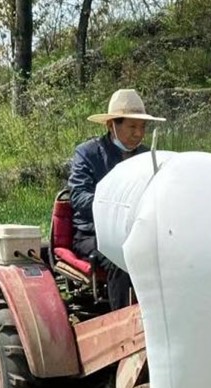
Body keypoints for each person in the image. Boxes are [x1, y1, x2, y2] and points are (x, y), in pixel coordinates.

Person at [67, 88, 165, 309]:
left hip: (139, 231)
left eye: (142, 127)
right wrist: (116, 207)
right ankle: (124, 328)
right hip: (93, 234)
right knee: (122, 257)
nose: (138, 133)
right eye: (132, 126)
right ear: (112, 125)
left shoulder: (147, 157)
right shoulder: (87, 154)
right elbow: (79, 198)